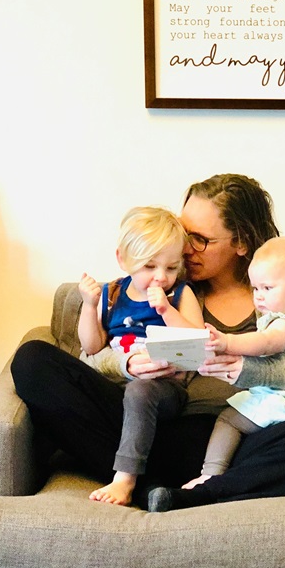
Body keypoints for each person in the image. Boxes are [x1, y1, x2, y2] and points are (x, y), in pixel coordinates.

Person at [10, 174, 285, 512]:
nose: (184, 250)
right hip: (153, 429)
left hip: (244, 439)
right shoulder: (163, 286)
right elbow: (89, 357)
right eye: (183, 233)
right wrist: (127, 364)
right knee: (33, 360)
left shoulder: (282, 292)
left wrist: (252, 369)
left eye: (199, 240)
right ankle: (142, 478)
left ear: (241, 243)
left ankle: (198, 491)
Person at [77, 206, 204, 506]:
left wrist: (166, 310)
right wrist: (89, 306)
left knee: (139, 391)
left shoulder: (179, 294)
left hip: (164, 390)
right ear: (123, 259)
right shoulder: (111, 294)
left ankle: (125, 479)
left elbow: (197, 345)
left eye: (171, 268)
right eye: (149, 266)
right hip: (117, 386)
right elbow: (91, 347)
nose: (161, 277)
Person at [180, 236, 285, 489]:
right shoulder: (282, 316)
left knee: (228, 420)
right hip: (280, 397)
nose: (258, 297)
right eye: (255, 289)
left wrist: (227, 342)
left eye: (267, 288)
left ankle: (211, 474)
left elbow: (267, 343)